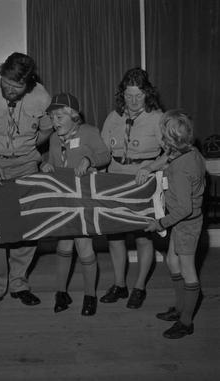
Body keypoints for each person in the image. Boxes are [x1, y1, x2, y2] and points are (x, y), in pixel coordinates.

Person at [0, 52, 53, 312]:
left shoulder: (41, 97)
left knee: (25, 226)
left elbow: (46, 130)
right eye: (6, 83)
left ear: (28, 84)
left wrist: (25, 149)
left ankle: (19, 283)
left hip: (26, 165)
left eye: (16, 87)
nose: (9, 90)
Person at [40, 93, 111, 315]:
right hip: (63, 199)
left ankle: (90, 296)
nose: (55, 122)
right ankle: (61, 292)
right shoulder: (53, 138)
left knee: (83, 245)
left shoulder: (89, 132)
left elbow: (105, 155)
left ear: (74, 115)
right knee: (63, 246)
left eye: (60, 116)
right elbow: (51, 162)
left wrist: (89, 160)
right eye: (52, 117)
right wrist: (45, 166)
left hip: (82, 198)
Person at [100, 67, 164, 309]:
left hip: (143, 182)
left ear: (147, 93)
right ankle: (119, 284)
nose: (134, 101)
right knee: (114, 236)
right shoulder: (113, 117)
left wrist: (151, 168)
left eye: (139, 95)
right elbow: (103, 150)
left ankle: (139, 287)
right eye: (129, 95)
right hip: (115, 182)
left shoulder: (158, 118)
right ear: (122, 95)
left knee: (142, 237)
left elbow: (170, 153)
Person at [140, 110, 206, 339]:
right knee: (171, 260)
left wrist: (159, 224)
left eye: (160, 134)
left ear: (169, 141)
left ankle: (186, 322)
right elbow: (166, 158)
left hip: (186, 223)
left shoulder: (181, 169)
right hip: (182, 222)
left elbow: (184, 209)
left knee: (188, 270)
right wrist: (149, 168)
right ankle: (180, 308)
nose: (158, 137)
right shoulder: (188, 150)